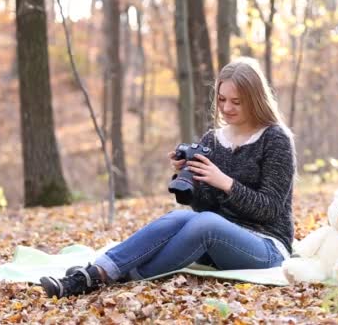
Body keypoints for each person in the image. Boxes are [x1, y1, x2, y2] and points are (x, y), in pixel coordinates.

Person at [40, 57, 297, 298]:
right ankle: (94, 272)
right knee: (183, 216)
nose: (227, 108)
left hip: (267, 246)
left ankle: (123, 275)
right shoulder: (213, 140)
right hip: (217, 242)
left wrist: (224, 182)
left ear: (255, 99)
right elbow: (202, 208)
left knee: (205, 223)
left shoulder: (275, 139)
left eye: (237, 102)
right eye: (222, 99)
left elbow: (271, 209)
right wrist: (188, 175)